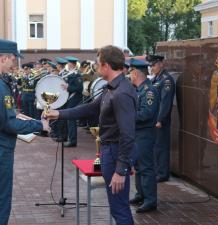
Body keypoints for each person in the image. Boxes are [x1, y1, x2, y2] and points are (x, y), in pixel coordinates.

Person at [45, 45, 136, 224]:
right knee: (118, 207)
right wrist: (59, 113)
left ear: (106, 66)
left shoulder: (121, 93)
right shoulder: (111, 88)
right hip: (110, 150)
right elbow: (90, 108)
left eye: (97, 62)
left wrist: (121, 168)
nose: (95, 66)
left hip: (114, 151)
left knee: (119, 209)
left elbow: (128, 134)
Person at [0, 38, 50, 225]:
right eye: (13, 59)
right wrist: (39, 125)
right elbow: (10, 125)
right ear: (4, 58)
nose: (14, 64)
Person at [128, 58, 160, 213]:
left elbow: (146, 114)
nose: (130, 75)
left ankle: (150, 200)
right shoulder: (138, 90)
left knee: (146, 167)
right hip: (137, 134)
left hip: (145, 134)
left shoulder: (149, 91)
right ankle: (141, 194)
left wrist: (127, 116)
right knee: (138, 166)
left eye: (131, 72)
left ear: (136, 73)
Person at [146, 54, 175, 183]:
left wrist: (160, 119)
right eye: (151, 65)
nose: (152, 68)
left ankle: (162, 173)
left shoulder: (166, 80)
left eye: (154, 65)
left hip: (160, 120)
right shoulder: (155, 79)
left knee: (161, 147)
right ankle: (157, 170)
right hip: (153, 119)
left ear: (161, 64)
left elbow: (165, 101)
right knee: (155, 146)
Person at [62, 56, 83, 147]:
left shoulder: (77, 74)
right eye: (68, 63)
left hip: (74, 99)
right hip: (69, 99)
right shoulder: (69, 74)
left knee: (71, 120)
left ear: (74, 64)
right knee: (68, 120)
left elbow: (79, 88)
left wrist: (68, 87)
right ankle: (67, 137)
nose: (68, 65)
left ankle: (72, 141)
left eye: (69, 63)